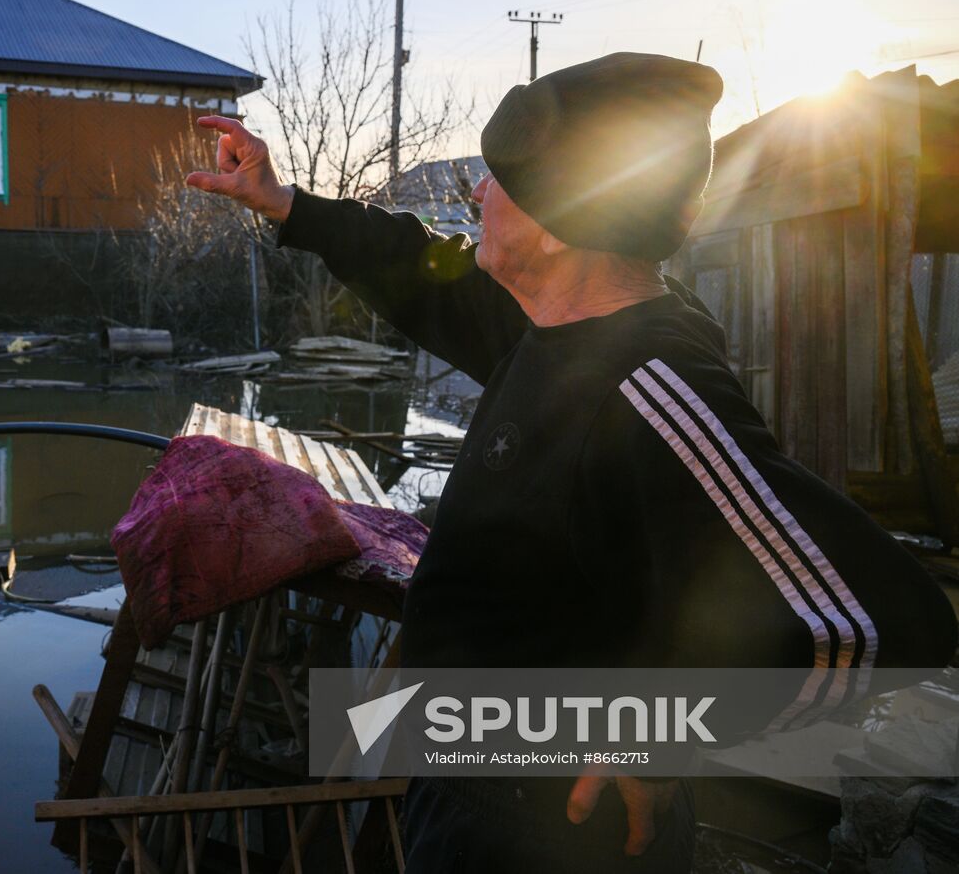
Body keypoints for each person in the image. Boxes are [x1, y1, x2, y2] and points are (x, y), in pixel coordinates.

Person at [186, 52, 957, 873]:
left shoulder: (647, 386)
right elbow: (420, 274)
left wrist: (651, 734)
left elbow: (879, 621)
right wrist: (286, 205)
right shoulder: (550, 323)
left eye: (499, 180)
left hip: (547, 830)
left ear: (563, 220)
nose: (478, 194)